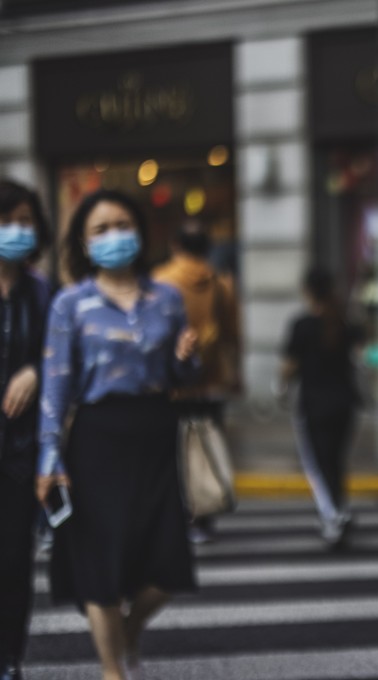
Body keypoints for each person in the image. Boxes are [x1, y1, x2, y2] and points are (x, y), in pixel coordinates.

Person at [35, 189, 199, 680]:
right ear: (84, 244)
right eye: (100, 229)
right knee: (99, 561)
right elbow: (56, 383)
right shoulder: (70, 304)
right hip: (96, 438)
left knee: (168, 563)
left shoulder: (167, 298)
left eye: (122, 225)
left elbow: (180, 376)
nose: (114, 237)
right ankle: (114, 670)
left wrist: (187, 361)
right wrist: (49, 455)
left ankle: (125, 635)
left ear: (140, 233)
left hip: (153, 432)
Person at [153, 219, 240, 543]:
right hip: (209, 382)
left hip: (170, 383)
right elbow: (232, 334)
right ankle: (203, 515)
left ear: (176, 245)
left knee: (174, 452)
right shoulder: (220, 283)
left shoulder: (160, 281)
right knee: (204, 448)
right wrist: (232, 375)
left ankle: (181, 514)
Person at [0, 179, 51, 680]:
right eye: (6, 219)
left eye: (23, 220)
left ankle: (10, 658)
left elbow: (60, 361)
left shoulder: (41, 291)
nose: (15, 230)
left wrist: (36, 369)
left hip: (19, 452)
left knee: (14, 564)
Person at [280, 267, 362, 547]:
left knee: (317, 464)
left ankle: (332, 515)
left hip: (314, 405)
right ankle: (339, 508)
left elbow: (289, 367)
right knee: (336, 461)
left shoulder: (302, 325)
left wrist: (280, 388)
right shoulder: (343, 322)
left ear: (308, 291)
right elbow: (365, 356)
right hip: (345, 403)